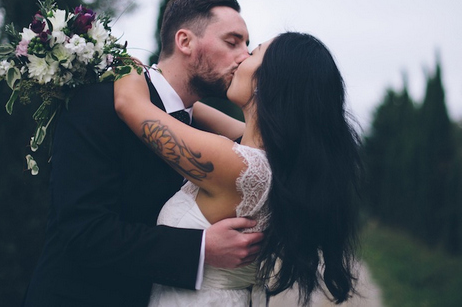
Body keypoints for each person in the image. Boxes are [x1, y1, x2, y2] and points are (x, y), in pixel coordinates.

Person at [22, 0, 263, 307]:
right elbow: (81, 232)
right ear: (185, 42)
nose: (244, 56)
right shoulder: (100, 101)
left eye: (247, 45)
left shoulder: (207, 135)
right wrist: (201, 248)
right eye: (233, 42)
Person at [114, 31, 363, 306]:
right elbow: (191, 108)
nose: (241, 57)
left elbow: (129, 104)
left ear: (266, 81)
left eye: (253, 53)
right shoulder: (276, 159)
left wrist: (119, 60)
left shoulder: (237, 166)